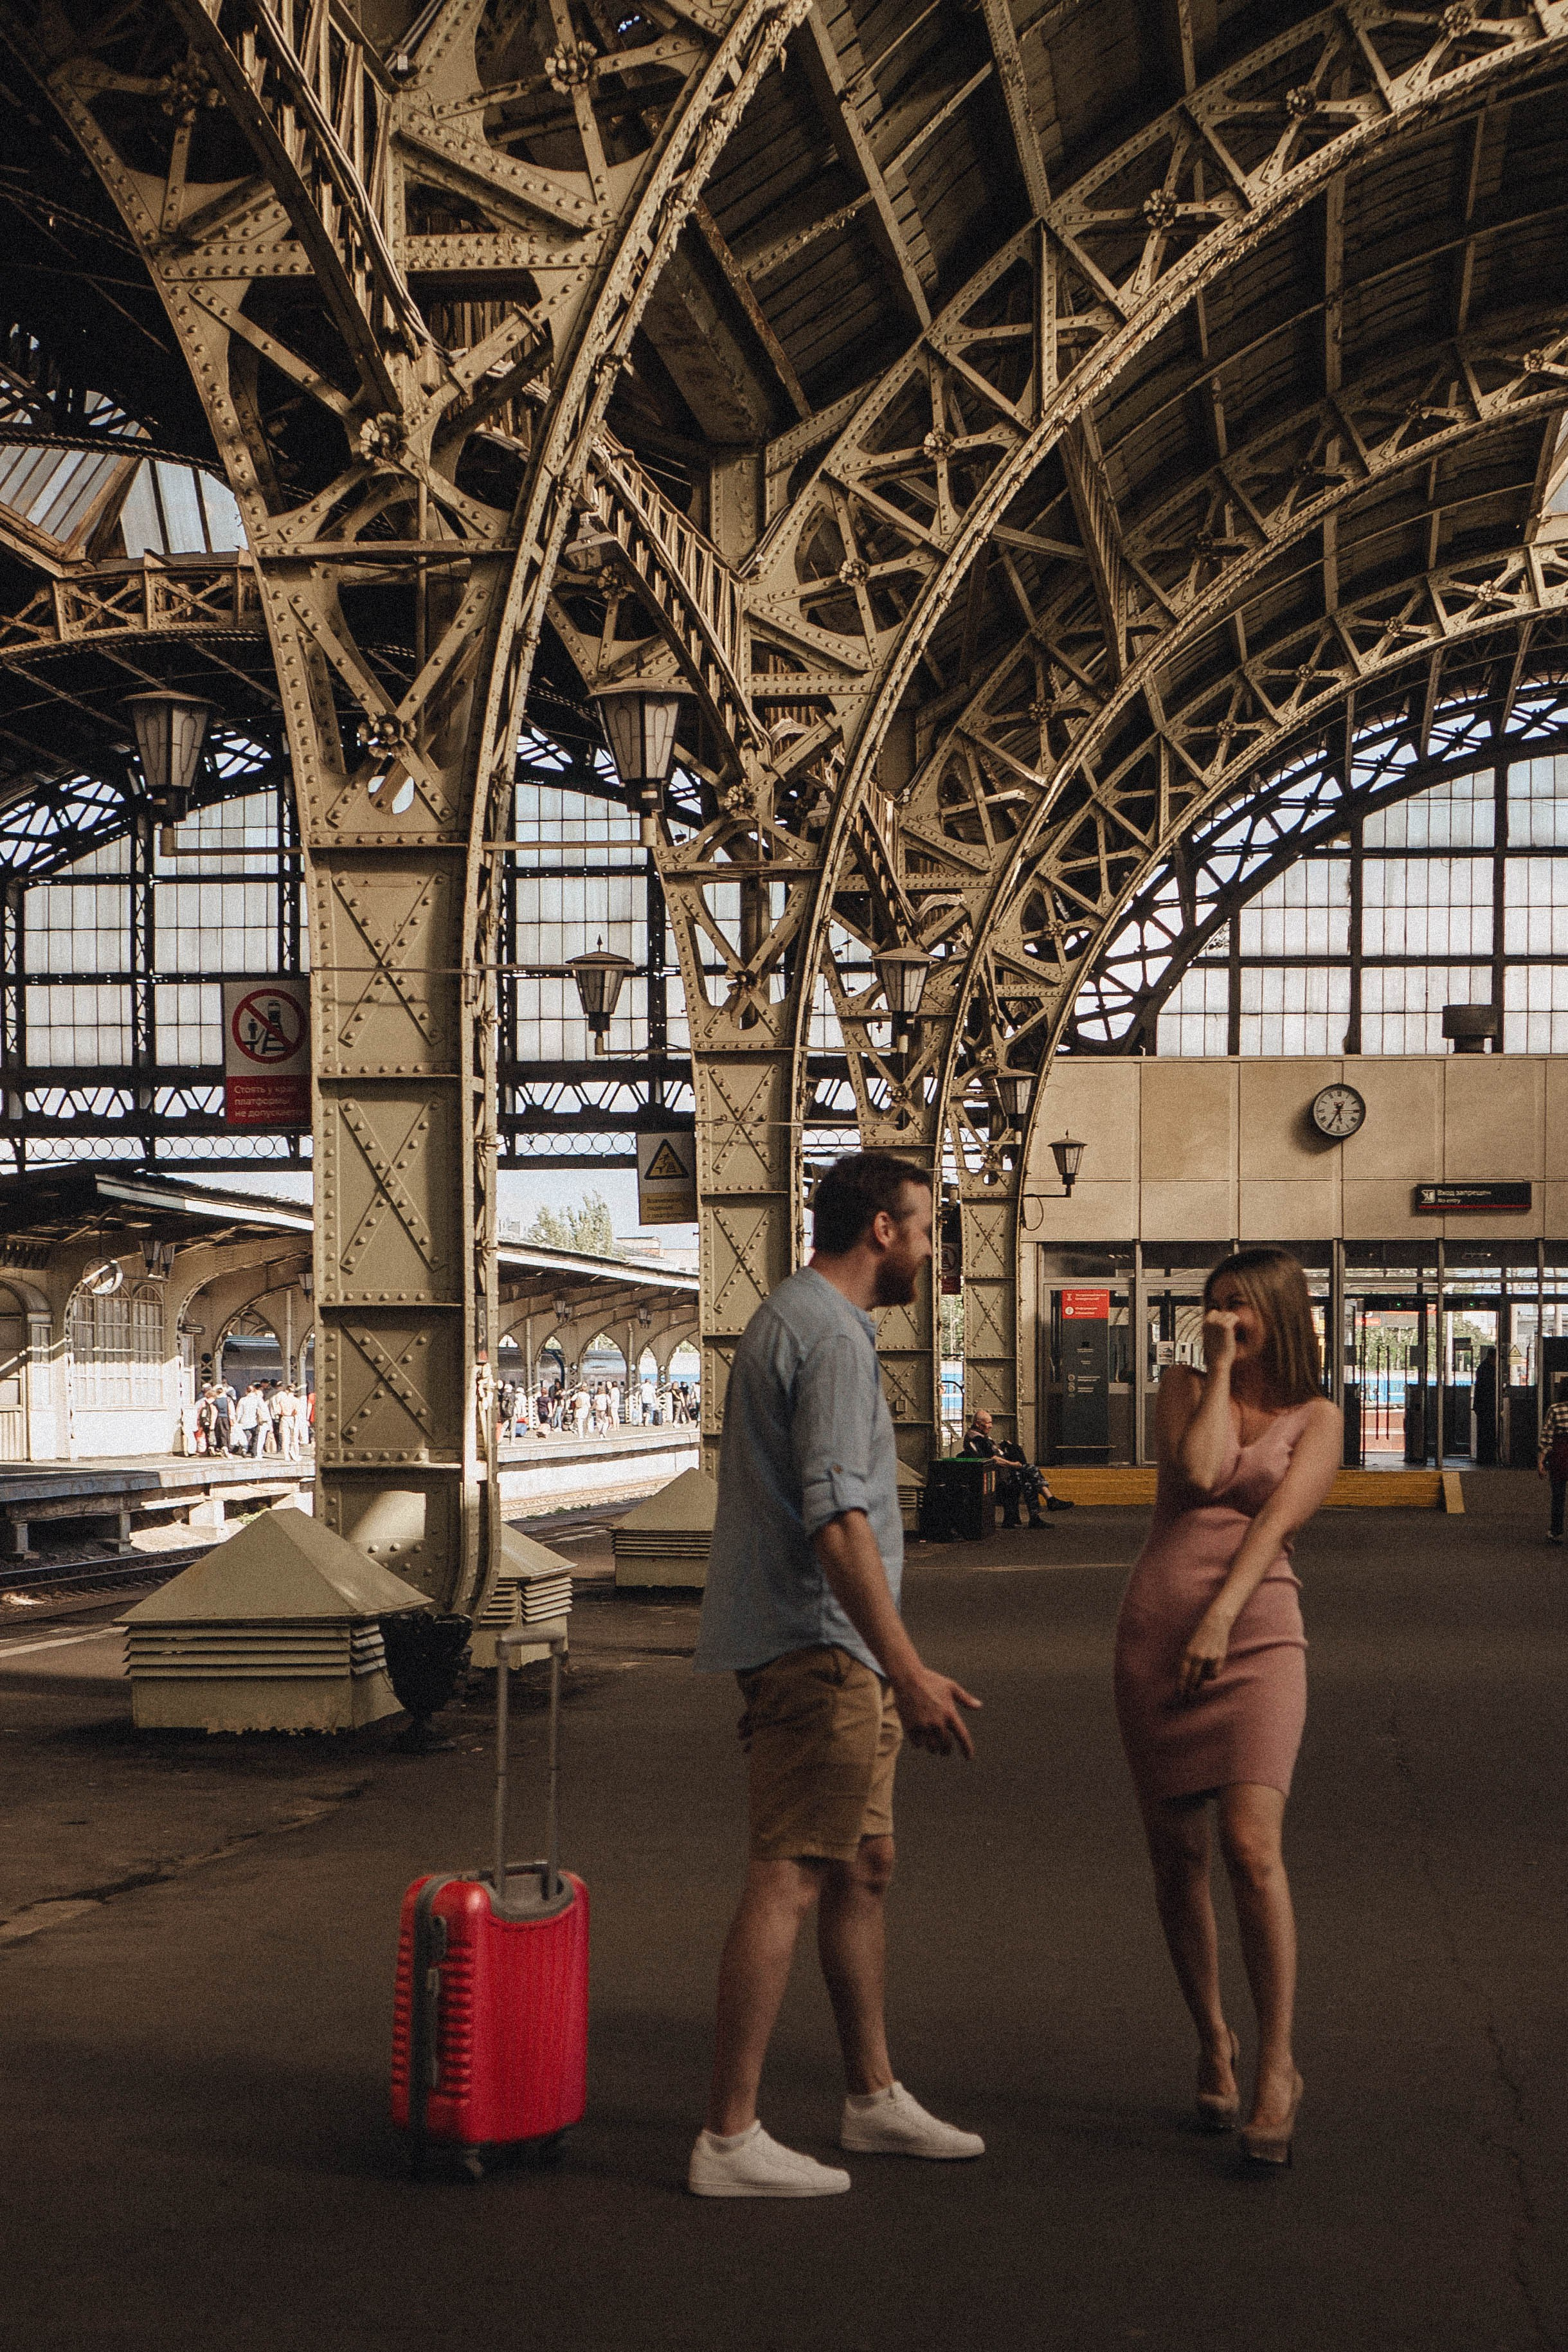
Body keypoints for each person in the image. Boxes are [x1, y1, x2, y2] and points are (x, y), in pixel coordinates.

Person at [689, 1151, 985, 2199]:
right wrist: (902, 1666)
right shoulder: (828, 1336)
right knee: (788, 1872)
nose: (931, 1249)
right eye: (924, 1227)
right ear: (879, 1228)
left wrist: (887, 1658)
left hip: (832, 1648)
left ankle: (870, 2096)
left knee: (862, 1864)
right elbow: (835, 1515)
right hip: (819, 1653)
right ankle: (727, 2137)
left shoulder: (804, 1321)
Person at [1113, 1248, 1340, 2169]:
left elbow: (1273, 1522)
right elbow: (1203, 1475)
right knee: (1177, 1856)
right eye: (1211, 1305)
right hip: (1152, 1634)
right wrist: (1214, 1368)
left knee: (1250, 1847)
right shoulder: (1179, 1385)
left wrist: (1220, 1616)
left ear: (1276, 1313)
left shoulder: (1317, 1416)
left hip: (1255, 1635)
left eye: (1237, 1308)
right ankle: (1212, 2037)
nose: (1221, 1317)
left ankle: (1277, 2064)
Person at [962, 1409, 1074, 1528]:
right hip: (994, 1477)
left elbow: (992, 1452)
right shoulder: (976, 1438)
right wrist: (1013, 1465)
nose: (991, 1426)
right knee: (1031, 1469)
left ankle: (1037, 1516)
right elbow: (993, 1458)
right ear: (978, 1424)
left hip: (999, 1474)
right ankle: (1050, 1501)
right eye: (988, 1423)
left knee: (1028, 1483)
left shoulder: (982, 1437)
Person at [1537, 1373, 1568, 1542]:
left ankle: (1556, 1531)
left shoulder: (1555, 1409)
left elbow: (1547, 1437)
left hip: (1561, 1453)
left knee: (1558, 1495)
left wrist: (1541, 1461)